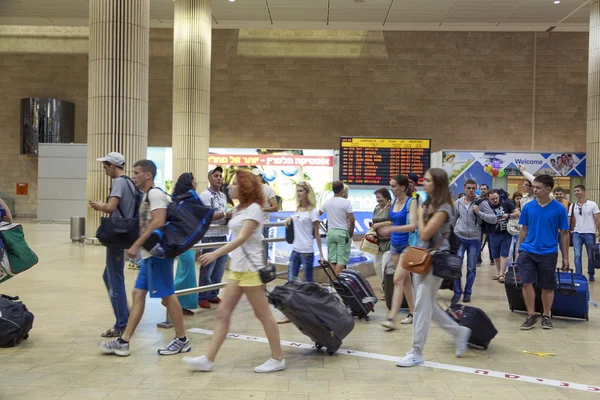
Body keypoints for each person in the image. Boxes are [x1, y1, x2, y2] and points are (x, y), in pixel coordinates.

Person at [183, 170, 285, 373]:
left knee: (263, 314)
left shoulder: (255, 209)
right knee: (223, 312)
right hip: (237, 270)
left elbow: (241, 238)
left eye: (235, 184)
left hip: (251, 270)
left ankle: (278, 358)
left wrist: (215, 254)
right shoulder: (239, 208)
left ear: (245, 187)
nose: (230, 187)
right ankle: (208, 359)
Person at [98, 159, 190, 356]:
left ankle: (182, 339)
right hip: (150, 255)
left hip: (158, 255)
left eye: (137, 172)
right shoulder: (147, 195)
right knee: (138, 295)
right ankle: (124, 341)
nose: (134, 175)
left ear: (148, 175)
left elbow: (158, 222)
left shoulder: (155, 194)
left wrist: (137, 244)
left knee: (168, 296)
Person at [396, 168, 471, 367]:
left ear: (437, 183)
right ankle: (459, 331)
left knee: (421, 306)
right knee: (427, 305)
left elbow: (425, 234)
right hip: (421, 259)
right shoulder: (429, 203)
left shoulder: (445, 207)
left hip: (435, 261)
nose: (423, 183)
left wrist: (420, 214)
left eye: (428, 180)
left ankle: (416, 352)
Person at [89, 152, 137, 338]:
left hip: (117, 234)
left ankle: (122, 324)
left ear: (112, 165)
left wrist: (99, 205)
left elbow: (110, 207)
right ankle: (125, 314)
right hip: (126, 233)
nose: (104, 169)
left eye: (106, 166)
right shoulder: (130, 182)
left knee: (115, 278)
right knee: (108, 275)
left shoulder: (118, 182)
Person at [518, 175, 570, 330]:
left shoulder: (559, 209)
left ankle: (546, 315)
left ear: (548, 189)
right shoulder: (528, 207)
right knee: (526, 282)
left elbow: (564, 233)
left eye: (538, 187)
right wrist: (520, 250)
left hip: (548, 251)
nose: (534, 189)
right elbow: (523, 229)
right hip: (528, 250)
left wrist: (566, 257)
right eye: (533, 186)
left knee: (547, 286)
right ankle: (531, 314)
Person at [278, 182, 325, 324]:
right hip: (295, 251)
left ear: (307, 193)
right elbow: (296, 217)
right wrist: (290, 218)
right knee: (291, 282)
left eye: (301, 191)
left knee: (307, 284)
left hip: (307, 252)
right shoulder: (297, 209)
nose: (298, 194)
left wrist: (321, 255)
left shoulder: (314, 212)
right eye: (297, 191)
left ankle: (310, 313)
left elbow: (316, 234)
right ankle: (290, 314)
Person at [378, 175, 417, 329]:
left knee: (397, 280)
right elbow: (394, 221)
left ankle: (391, 318)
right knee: (405, 281)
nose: (391, 189)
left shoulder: (411, 202)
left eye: (394, 186)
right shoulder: (393, 201)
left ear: (402, 187)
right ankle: (414, 313)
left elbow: (413, 226)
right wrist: (385, 227)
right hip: (395, 245)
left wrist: (392, 228)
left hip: (407, 245)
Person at [452, 179, 496, 303]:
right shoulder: (458, 203)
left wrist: (479, 213)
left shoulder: (481, 203)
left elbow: (493, 219)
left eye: (473, 188)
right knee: (456, 266)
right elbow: (453, 220)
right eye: (468, 188)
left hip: (474, 239)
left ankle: (468, 292)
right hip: (459, 237)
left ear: (476, 188)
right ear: (464, 188)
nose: (471, 190)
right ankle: (456, 292)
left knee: (471, 267)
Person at [198, 166, 232, 309]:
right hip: (209, 236)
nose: (219, 178)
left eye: (220, 176)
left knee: (219, 269)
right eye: (215, 176)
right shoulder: (205, 195)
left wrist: (229, 217)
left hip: (223, 235)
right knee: (207, 268)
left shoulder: (223, 196)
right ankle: (202, 296)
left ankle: (213, 294)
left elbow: (223, 214)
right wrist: (225, 215)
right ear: (209, 178)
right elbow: (207, 216)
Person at [172, 172, 199, 315]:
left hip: (187, 239)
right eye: (194, 180)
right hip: (185, 239)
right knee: (186, 272)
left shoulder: (182, 198)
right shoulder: (188, 198)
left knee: (185, 273)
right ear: (189, 182)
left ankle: (181, 305)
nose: (196, 182)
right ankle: (169, 296)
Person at [320, 181, 355, 275]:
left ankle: (333, 283)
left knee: (333, 259)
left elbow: (318, 214)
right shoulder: (346, 202)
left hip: (330, 233)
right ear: (342, 190)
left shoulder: (327, 202)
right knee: (341, 260)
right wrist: (351, 233)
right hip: (342, 233)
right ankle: (336, 283)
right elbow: (351, 220)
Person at [569, 185, 600, 281]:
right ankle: (578, 275)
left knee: (591, 255)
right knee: (577, 255)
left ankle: (591, 273)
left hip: (589, 233)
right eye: (574, 191)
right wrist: (570, 230)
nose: (576, 192)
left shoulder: (592, 204)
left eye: (578, 190)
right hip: (577, 233)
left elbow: (597, 219)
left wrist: (599, 232)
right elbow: (570, 218)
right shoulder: (573, 205)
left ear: (583, 191)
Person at [488, 190, 520, 284]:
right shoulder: (487, 206)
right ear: (489, 199)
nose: (495, 200)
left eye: (496, 198)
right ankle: (499, 273)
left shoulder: (506, 203)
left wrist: (508, 215)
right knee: (496, 256)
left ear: (499, 197)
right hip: (493, 233)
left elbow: (517, 213)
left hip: (506, 232)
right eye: (492, 199)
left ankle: (502, 274)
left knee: (504, 254)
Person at [371, 188, 392, 295]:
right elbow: (373, 220)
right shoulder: (376, 208)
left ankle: (387, 291)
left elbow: (393, 222)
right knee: (377, 266)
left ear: (386, 196)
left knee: (385, 267)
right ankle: (385, 287)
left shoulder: (391, 208)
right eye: (376, 197)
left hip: (389, 243)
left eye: (379, 197)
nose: (377, 200)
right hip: (378, 243)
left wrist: (380, 224)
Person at [254, 170, 279, 261]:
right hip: (251, 225)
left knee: (263, 250)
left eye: (256, 176)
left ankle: (264, 273)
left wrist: (262, 209)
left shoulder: (267, 189)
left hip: (263, 225)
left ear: (261, 177)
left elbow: (275, 207)